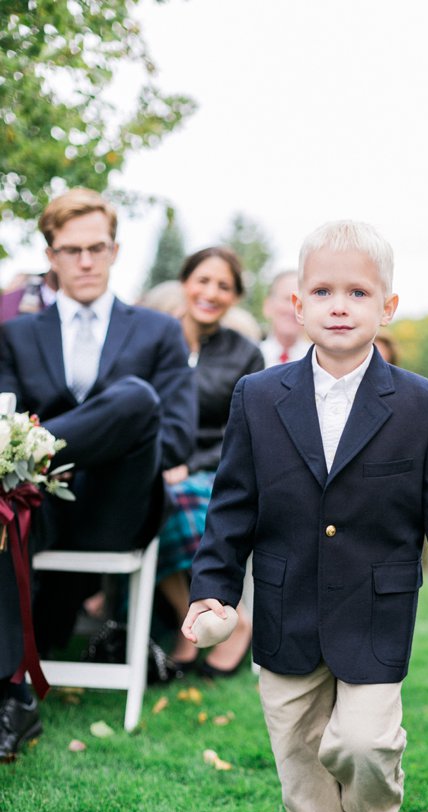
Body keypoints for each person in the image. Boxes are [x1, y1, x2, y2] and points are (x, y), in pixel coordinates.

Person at [183, 221, 428, 812]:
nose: (338, 304)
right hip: (285, 604)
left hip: (375, 610)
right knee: (297, 748)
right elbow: (232, 504)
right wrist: (213, 590)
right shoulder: (258, 396)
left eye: (357, 291)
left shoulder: (424, 404)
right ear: (296, 303)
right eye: (322, 289)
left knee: (362, 743)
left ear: (387, 306)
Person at [0, 188, 194, 762]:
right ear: (51, 255)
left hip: (120, 504)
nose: (85, 261)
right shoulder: (15, 335)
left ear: (115, 250)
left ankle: (36, 454)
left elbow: (178, 436)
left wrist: (47, 443)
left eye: (97, 248)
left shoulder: (158, 331)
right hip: (43, 510)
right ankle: (13, 699)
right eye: (71, 250)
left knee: (134, 398)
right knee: (3, 513)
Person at [154, 248, 265, 678]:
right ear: (185, 283)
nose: (210, 292)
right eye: (203, 280)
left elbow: (243, 431)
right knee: (151, 502)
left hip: (217, 468)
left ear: (235, 296)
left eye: (223, 285)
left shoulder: (245, 354)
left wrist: (187, 462)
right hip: (155, 464)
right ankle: (193, 618)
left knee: (181, 499)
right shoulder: (155, 338)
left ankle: (233, 622)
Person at [259, 269, 308, 366]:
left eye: (300, 303)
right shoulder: (250, 357)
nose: (292, 309)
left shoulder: (318, 361)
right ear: (268, 305)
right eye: (287, 299)